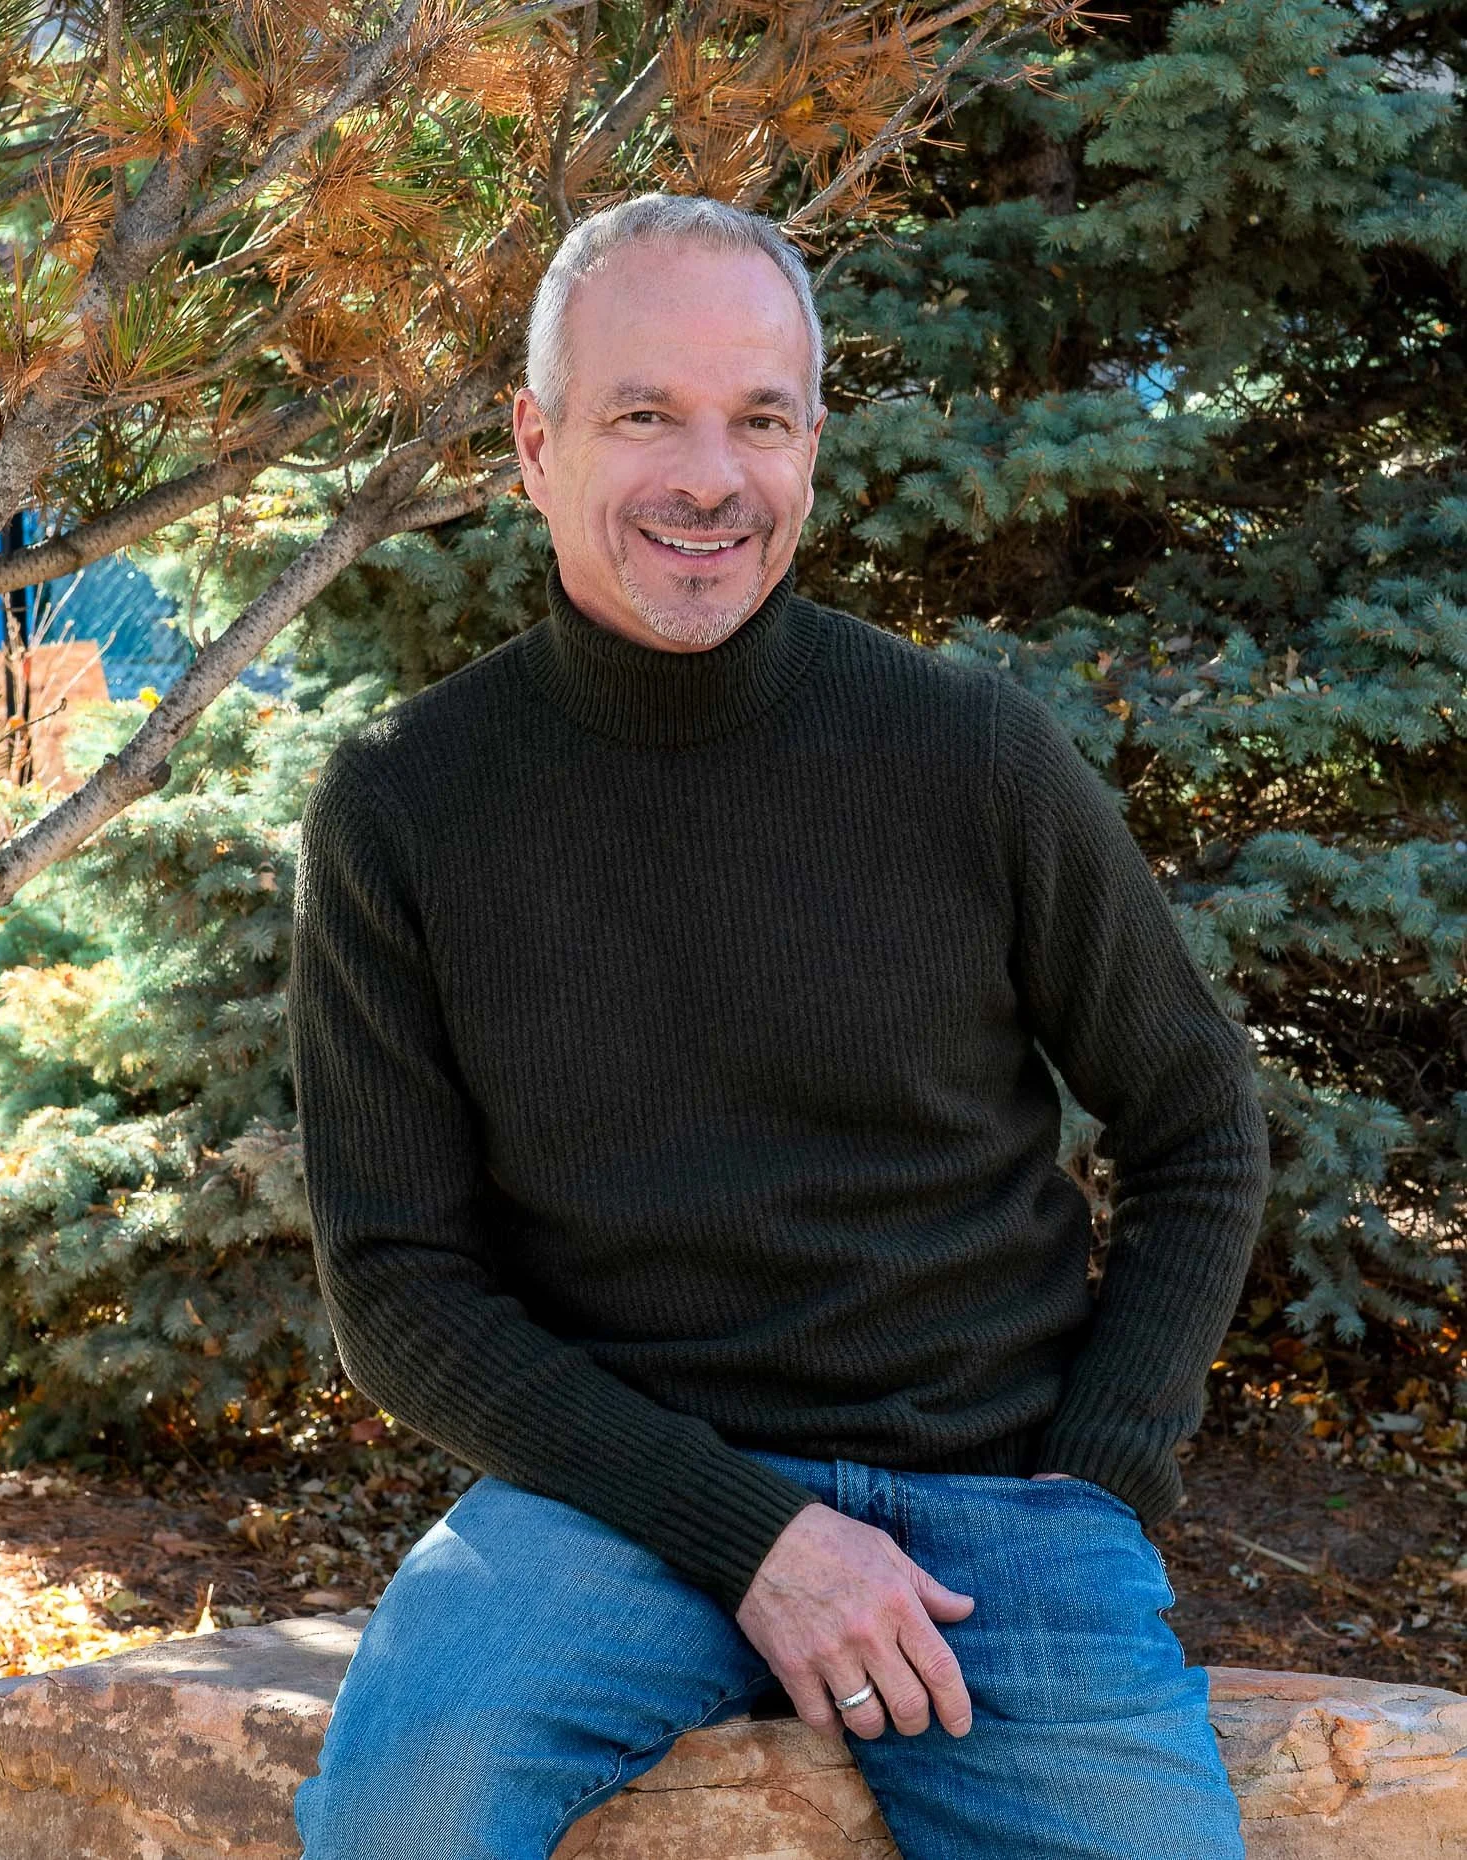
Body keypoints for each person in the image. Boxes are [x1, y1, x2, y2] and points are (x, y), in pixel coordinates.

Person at [287, 192, 1271, 1860]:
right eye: (642, 414)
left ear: (811, 446)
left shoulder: (967, 756)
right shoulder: (410, 803)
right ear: (534, 447)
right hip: (610, 1505)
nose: (707, 476)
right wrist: (747, 1532)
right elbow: (395, 1287)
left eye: (758, 418)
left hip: (994, 1508)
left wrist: (1098, 1483)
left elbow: (1195, 1118)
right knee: (407, 1816)